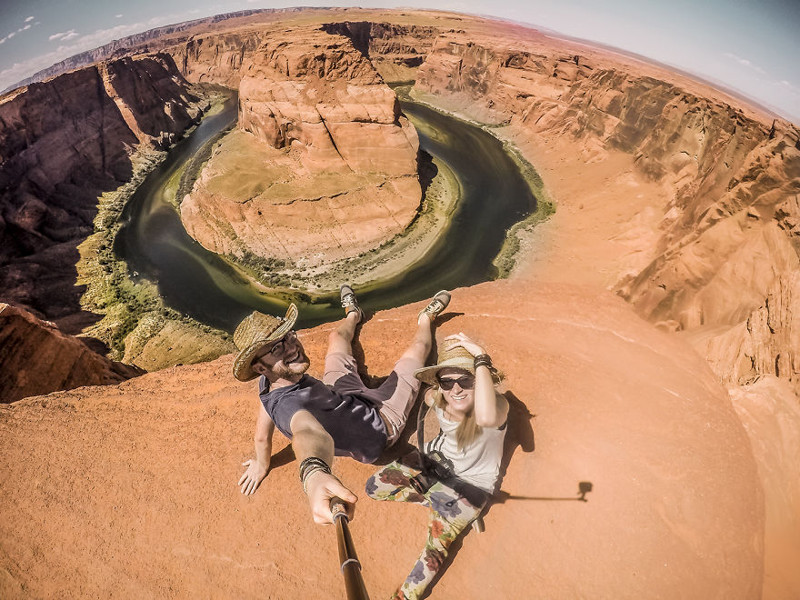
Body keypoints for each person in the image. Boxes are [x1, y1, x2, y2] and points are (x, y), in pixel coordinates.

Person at [234, 285, 451, 524]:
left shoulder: (267, 383)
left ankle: (353, 313)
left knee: (337, 337)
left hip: (339, 394)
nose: (292, 347)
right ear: (260, 366)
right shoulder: (290, 407)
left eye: (288, 336)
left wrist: (262, 464)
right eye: (277, 348)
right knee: (418, 351)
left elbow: (262, 438)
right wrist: (314, 474)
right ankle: (426, 318)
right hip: (380, 422)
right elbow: (307, 433)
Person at [365, 333, 509, 600]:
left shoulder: (495, 408)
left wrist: (479, 355)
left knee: (432, 556)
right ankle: (433, 502)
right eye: (447, 381)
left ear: (480, 380)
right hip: (434, 464)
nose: (456, 389)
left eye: (465, 380)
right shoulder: (438, 398)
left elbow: (487, 415)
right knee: (374, 488)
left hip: (469, 488)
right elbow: (430, 393)